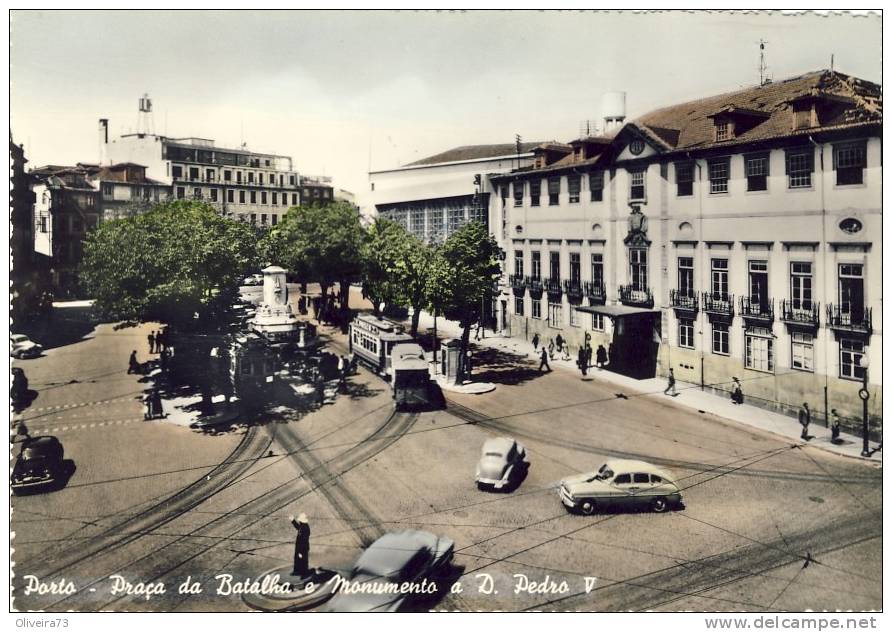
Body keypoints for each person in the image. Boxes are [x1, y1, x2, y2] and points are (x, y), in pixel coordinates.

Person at [289, 513, 311, 577]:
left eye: (300, 520)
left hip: (303, 548)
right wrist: (293, 520)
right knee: (297, 559)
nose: (299, 521)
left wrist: (301, 552)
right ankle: (297, 571)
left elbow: (304, 541)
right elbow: (298, 527)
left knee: (303, 561)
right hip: (299, 546)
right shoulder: (302, 526)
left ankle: (304, 573)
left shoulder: (305, 528)